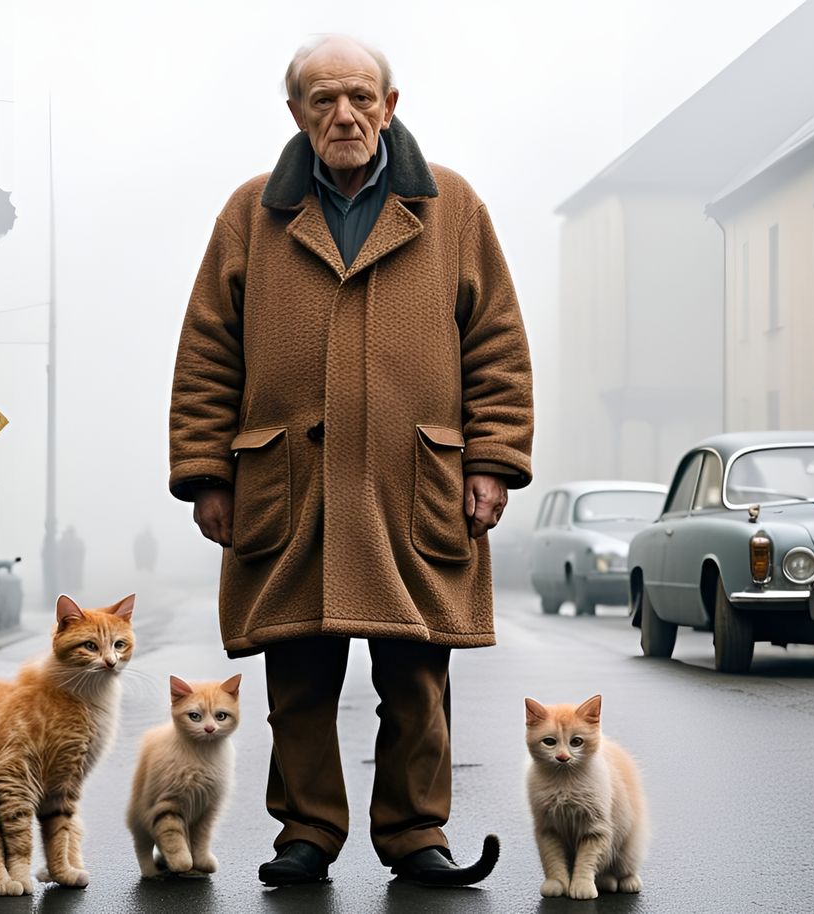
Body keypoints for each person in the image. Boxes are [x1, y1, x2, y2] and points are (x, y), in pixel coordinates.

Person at [168, 35, 535, 887]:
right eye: (324, 99)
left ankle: (415, 835)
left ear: (389, 106)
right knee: (297, 670)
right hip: (287, 485)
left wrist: (492, 460)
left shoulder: (453, 207)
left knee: (417, 673)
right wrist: (207, 473)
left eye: (361, 98)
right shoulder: (250, 213)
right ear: (296, 112)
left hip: (416, 482)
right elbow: (209, 352)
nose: (345, 115)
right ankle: (306, 833)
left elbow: (496, 344)